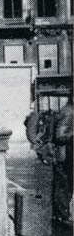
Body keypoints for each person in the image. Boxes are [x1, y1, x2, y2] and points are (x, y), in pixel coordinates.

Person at [53, 97, 73, 227]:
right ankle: (62, 216)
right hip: (64, 156)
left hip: (68, 155)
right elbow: (59, 135)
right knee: (64, 185)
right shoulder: (68, 112)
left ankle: (62, 214)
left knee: (67, 185)